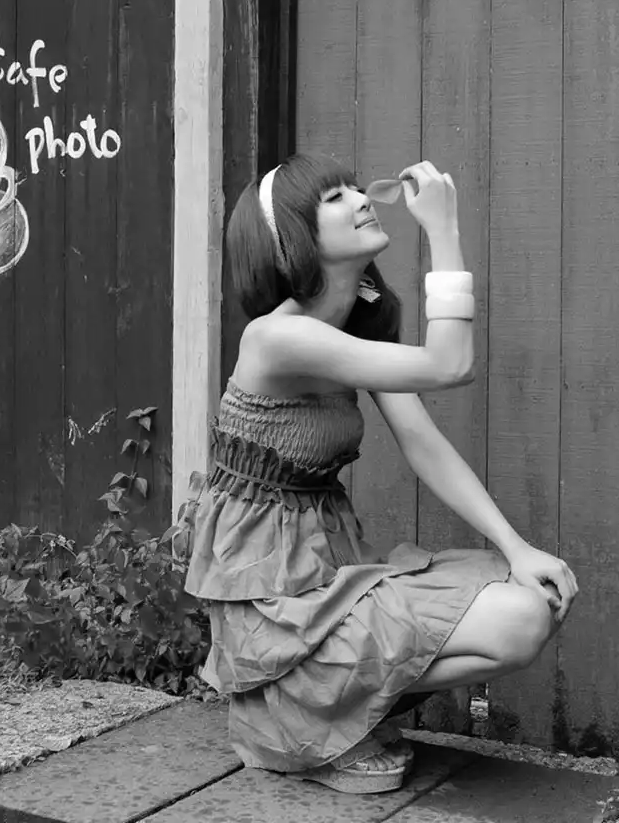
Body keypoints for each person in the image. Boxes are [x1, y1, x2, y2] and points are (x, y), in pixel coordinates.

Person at [183, 153, 580, 795]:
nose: (360, 197)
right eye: (334, 196)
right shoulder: (274, 339)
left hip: (328, 573)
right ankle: (295, 711)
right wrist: (444, 231)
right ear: (293, 236)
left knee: (535, 606)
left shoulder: (356, 326)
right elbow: (450, 364)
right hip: (273, 602)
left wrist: (518, 547)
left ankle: (332, 710)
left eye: (353, 187)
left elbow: (424, 444)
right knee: (514, 619)